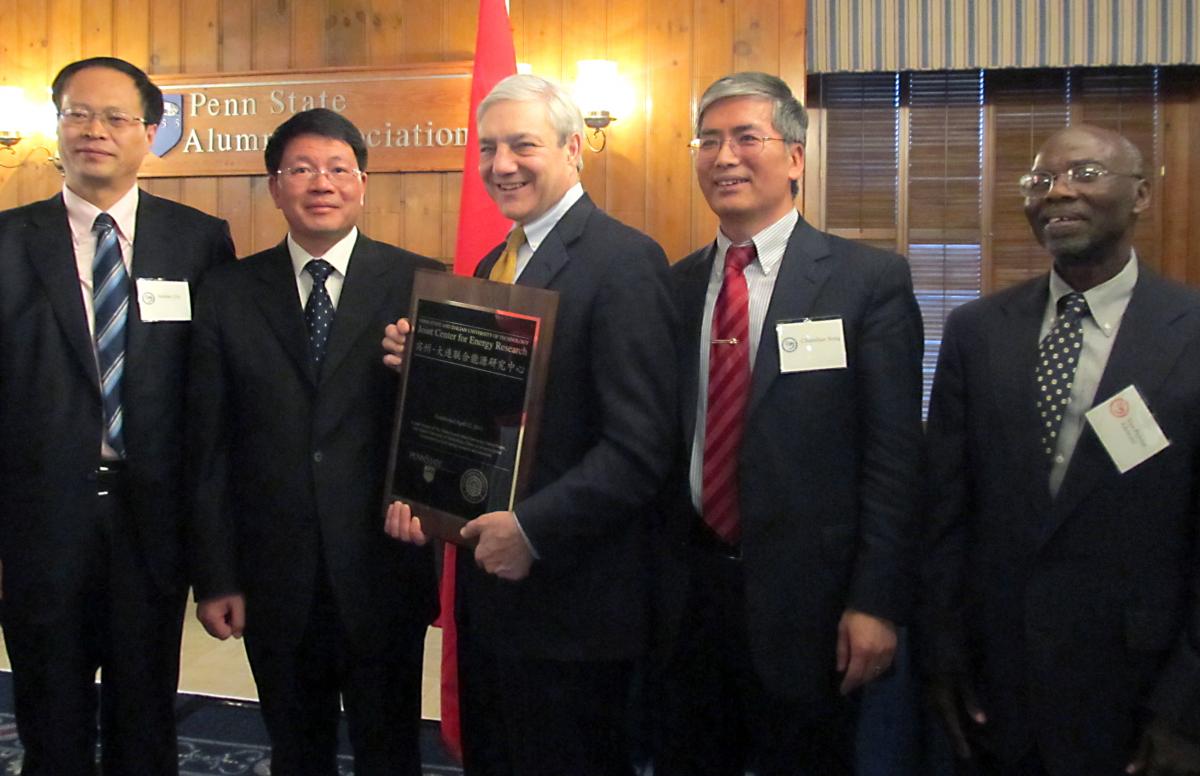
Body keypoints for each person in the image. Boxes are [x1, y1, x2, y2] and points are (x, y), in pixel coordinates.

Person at [383, 74, 677, 776]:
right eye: (487, 148)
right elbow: (502, 409)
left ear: (574, 148)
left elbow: (641, 446)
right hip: (492, 598)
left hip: (572, 609)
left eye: (523, 145)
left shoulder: (624, 261)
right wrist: (424, 368)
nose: (501, 164)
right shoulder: (497, 261)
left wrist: (534, 531)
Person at [653, 71, 925, 776]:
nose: (724, 157)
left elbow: (894, 460)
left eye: (747, 137)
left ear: (796, 158)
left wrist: (876, 602)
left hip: (814, 607)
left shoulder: (866, 282)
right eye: (707, 140)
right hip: (690, 600)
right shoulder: (674, 289)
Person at [920, 124, 1200, 775]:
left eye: (1085, 174)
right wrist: (940, 656)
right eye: (1041, 181)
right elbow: (946, 513)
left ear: (1141, 197)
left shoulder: (1191, 332)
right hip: (997, 691)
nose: (1058, 192)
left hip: (1140, 695)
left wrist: (1187, 711)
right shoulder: (976, 331)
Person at [187, 108, 440, 775]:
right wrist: (216, 575)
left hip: (383, 564)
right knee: (295, 750)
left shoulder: (423, 284)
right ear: (275, 187)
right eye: (300, 169)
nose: (320, 183)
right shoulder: (226, 292)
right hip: (273, 572)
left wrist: (420, 373)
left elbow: (449, 426)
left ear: (363, 184)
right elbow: (208, 446)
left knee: (391, 747)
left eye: (337, 169)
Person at [0, 57, 235, 775]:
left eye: (114, 118)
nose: (93, 131)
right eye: (77, 114)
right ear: (57, 126)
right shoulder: (8, 240)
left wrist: (217, 555)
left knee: (145, 723)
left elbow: (213, 400)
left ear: (151, 131)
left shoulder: (199, 241)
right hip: (39, 525)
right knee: (51, 722)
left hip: (152, 525)